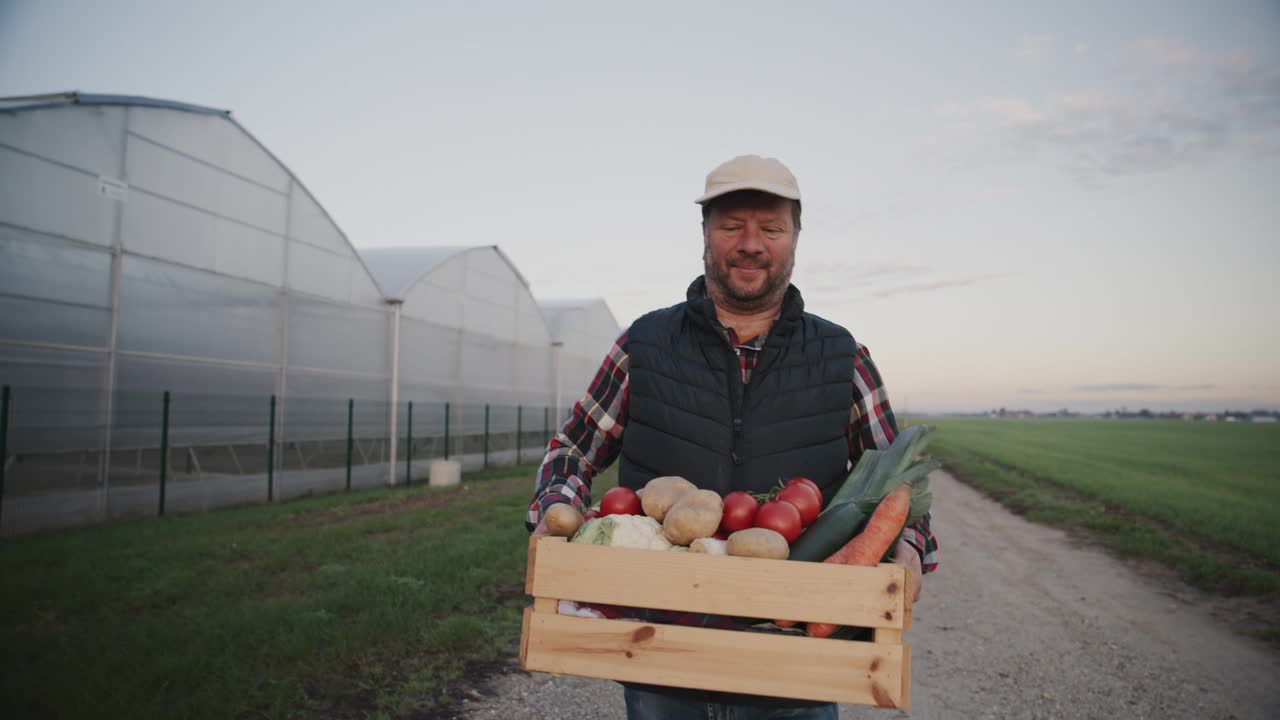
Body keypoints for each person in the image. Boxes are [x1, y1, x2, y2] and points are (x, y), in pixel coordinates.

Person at [526, 154, 939, 720]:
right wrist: (556, 509)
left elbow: (898, 487)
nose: (751, 243)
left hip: (796, 664)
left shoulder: (845, 359)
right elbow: (572, 450)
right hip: (660, 656)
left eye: (771, 227)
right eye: (731, 226)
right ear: (703, 235)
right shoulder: (645, 344)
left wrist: (910, 551)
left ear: (795, 238)